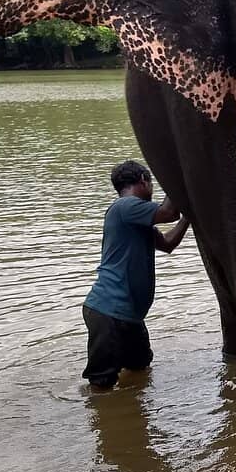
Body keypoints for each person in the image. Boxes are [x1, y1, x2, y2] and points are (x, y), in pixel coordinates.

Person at [82, 159, 190, 391]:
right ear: (143, 181)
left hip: (128, 315)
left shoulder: (136, 219)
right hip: (108, 312)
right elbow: (169, 212)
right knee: (101, 385)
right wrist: (177, 175)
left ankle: (130, 419)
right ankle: (100, 419)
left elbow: (168, 243)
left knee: (140, 370)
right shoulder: (126, 206)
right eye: (152, 184)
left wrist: (188, 217)